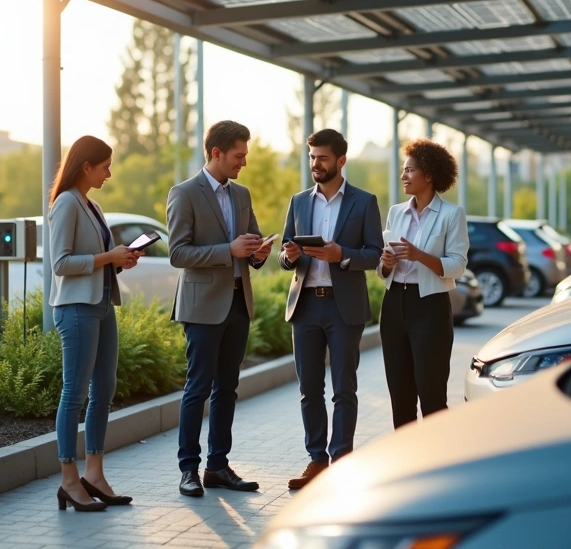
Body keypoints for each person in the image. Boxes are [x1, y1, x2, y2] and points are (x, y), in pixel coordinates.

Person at [167, 120, 275, 497]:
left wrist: (259, 253)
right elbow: (177, 253)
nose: (243, 162)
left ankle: (218, 467)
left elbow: (252, 245)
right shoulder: (184, 193)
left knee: (227, 387)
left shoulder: (242, 194)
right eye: (238, 156)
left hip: (237, 302)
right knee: (198, 388)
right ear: (216, 153)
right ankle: (188, 470)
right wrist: (227, 251)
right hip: (201, 306)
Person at [279, 129, 384, 489]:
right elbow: (283, 252)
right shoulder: (299, 201)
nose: (315, 164)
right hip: (305, 305)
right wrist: (289, 256)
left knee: (344, 388)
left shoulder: (364, 201)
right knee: (309, 388)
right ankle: (316, 461)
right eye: (311, 157)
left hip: (344, 308)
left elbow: (374, 254)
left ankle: (341, 461)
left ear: (341, 161)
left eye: (322, 158)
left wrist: (343, 256)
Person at [47, 135, 141, 512]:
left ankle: (95, 475)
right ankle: (70, 481)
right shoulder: (66, 203)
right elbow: (60, 263)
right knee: (75, 394)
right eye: (104, 166)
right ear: (85, 166)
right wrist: (107, 257)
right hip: (76, 308)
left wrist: (120, 260)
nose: (109, 173)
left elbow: (97, 258)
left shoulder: (92, 205)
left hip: (102, 305)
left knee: (105, 389)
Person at [377, 139, 469, 429]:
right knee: (400, 394)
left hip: (430, 307)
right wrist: (386, 264)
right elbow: (383, 267)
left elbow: (458, 265)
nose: (403, 176)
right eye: (403, 170)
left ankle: (436, 460)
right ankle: (407, 464)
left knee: (431, 393)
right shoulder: (395, 212)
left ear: (428, 174)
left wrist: (420, 256)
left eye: (409, 170)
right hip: (393, 305)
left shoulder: (452, 215)